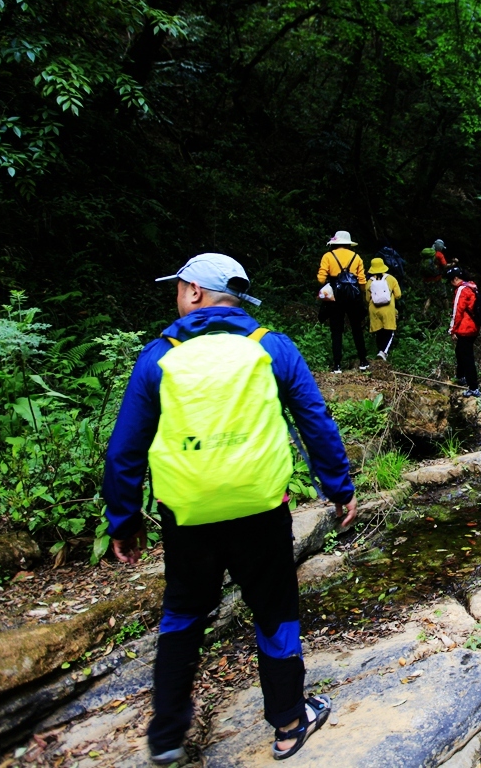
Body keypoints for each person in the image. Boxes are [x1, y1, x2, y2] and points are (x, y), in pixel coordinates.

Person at [102, 252, 358, 765]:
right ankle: (288, 724)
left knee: (182, 616)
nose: (176, 296)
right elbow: (316, 422)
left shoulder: (158, 356)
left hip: (187, 517)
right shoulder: (271, 348)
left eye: (179, 287)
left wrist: (124, 520)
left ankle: (168, 735)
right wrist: (340, 489)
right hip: (261, 510)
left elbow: (125, 449)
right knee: (275, 611)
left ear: (195, 292)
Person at [316, 231, 368, 372]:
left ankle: (337, 365)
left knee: (336, 330)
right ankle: (363, 361)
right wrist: (360, 294)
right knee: (357, 328)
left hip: (335, 297)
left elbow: (321, 279)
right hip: (353, 295)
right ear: (348, 243)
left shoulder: (328, 256)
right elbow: (362, 282)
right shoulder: (356, 257)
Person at [447, 265, 481, 396]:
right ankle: (461, 377)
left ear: (455, 279)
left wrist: (452, 330)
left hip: (465, 328)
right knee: (460, 351)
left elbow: (457, 312)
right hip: (473, 327)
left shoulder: (462, 290)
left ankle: (473, 387)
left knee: (467, 357)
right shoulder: (472, 286)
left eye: (451, 281)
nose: (451, 284)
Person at [365, 257, 402, 361]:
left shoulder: (369, 281)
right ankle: (383, 352)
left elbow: (368, 299)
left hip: (374, 310)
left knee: (379, 331)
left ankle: (380, 351)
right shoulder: (391, 279)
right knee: (389, 331)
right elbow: (398, 295)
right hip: (388, 308)